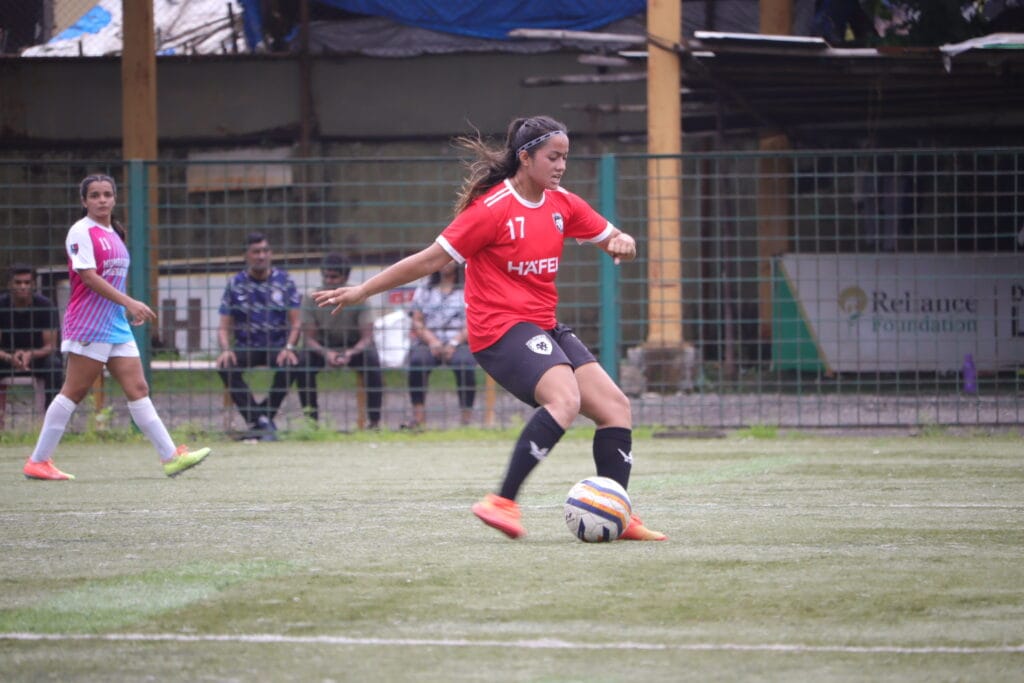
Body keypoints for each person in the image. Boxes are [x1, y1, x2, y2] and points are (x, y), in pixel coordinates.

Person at [314, 115, 665, 541]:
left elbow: (616, 241)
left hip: (543, 325)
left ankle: (617, 512)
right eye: (553, 157)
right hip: (498, 330)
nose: (561, 166)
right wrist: (363, 290)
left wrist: (625, 243)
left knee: (615, 408)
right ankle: (502, 502)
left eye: (565, 158)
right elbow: (429, 260)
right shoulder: (491, 210)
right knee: (564, 398)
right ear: (525, 157)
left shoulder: (563, 204)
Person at [22, 174, 211, 481]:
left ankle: (171, 457)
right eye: (94, 195)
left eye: (107, 194)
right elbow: (88, 277)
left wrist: (123, 309)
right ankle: (38, 460)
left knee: (138, 389)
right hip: (89, 323)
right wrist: (129, 302)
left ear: (114, 198)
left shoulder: (114, 232)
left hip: (115, 324)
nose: (102, 200)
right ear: (84, 201)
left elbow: (113, 281)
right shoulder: (81, 231)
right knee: (74, 391)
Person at [216, 231, 302, 440]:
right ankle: (260, 421)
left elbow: (296, 323)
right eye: (256, 252)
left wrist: (289, 347)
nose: (261, 256)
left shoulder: (284, 281)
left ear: (270, 253)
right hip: (247, 345)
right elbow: (223, 326)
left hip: (277, 345)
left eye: (265, 251)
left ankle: (261, 419)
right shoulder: (235, 284)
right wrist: (226, 349)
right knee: (225, 365)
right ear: (246, 255)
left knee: (293, 363)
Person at [297, 252, 384, 429]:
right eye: (326, 276)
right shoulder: (311, 296)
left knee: (372, 361)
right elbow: (308, 338)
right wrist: (326, 353)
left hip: (353, 345)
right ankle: (311, 421)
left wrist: (350, 353)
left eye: (334, 277)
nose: (329, 281)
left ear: (345, 278)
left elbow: (367, 337)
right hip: (322, 346)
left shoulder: (359, 295)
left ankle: (374, 422)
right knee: (303, 364)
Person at [406, 261, 476, 428]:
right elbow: (417, 321)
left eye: (450, 259)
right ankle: (418, 417)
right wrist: (433, 341)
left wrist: (454, 342)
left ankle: (465, 420)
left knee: (465, 364)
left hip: (460, 340)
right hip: (429, 340)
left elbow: (475, 321)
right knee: (417, 362)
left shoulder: (469, 287)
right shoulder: (425, 289)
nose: (446, 263)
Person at [0, 263, 63, 409]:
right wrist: (9, 357)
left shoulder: (45, 305)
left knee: (54, 365)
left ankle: (51, 414)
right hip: (6, 359)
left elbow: (51, 346)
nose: (23, 286)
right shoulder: (1, 305)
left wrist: (30, 354)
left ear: (34, 285)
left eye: (27, 282)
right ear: (9, 284)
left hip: (37, 358)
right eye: (18, 282)